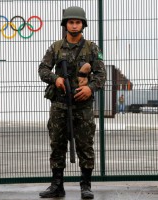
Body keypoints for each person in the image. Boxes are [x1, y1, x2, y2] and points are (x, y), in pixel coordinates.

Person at [38, 6, 106, 199]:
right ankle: (57, 185)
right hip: (59, 104)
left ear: (83, 24)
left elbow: (101, 75)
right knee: (57, 144)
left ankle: (86, 185)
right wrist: (55, 79)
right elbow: (43, 69)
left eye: (77, 22)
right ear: (65, 24)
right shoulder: (56, 47)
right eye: (71, 22)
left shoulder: (92, 48)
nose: (74, 26)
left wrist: (89, 88)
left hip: (83, 106)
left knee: (85, 144)